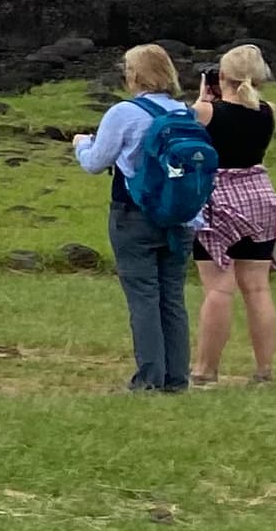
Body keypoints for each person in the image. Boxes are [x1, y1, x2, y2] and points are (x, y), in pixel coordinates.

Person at [73, 42, 200, 393]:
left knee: (143, 296)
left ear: (135, 74)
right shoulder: (184, 113)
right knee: (172, 297)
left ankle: (148, 379)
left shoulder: (123, 113)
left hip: (134, 214)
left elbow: (95, 163)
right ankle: (177, 379)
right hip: (179, 217)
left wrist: (81, 144)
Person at [196, 42, 276, 386]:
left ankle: (205, 371)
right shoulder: (269, 110)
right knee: (258, 289)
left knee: (219, 288)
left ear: (222, 75)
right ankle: (263, 371)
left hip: (220, 197)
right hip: (259, 195)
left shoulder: (206, 111)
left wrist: (203, 96)